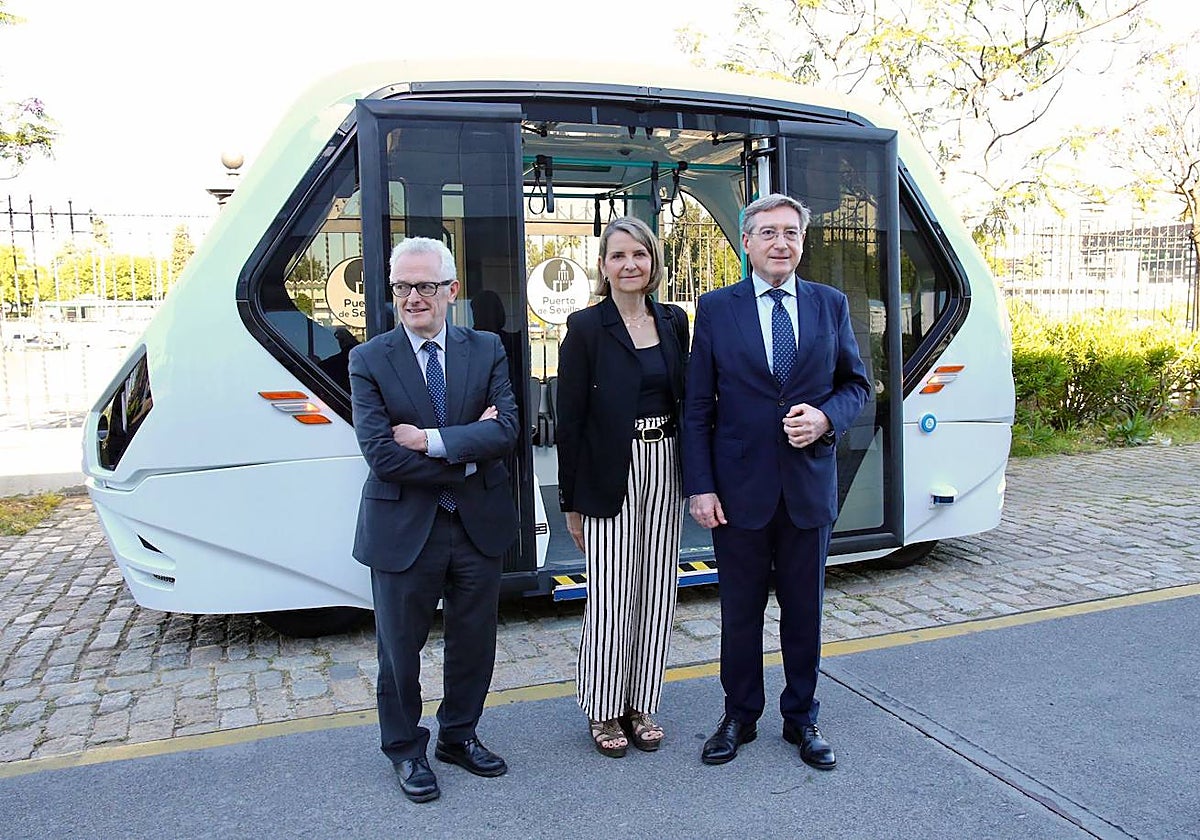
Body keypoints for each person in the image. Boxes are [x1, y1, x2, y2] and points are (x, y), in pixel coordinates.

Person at [681, 194, 870, 770]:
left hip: (808, 487)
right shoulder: (716, 309)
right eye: (767, 233)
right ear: (747, 242)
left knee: (804, 609)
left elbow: (856, 386)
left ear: (802, 242)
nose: (779, 242)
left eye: (790, 232)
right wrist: (701, 486)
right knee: (740, 611)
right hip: (738, 492)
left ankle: (801, 717)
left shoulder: (829, 305)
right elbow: (697, 408)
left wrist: (825, 418)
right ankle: (739, 714)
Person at [348, 236, 520, 803]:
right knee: (399, 651)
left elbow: (509, 432)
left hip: (477, 528)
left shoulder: (487, 348)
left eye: (424, 286)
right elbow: (381, 456)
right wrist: (468, 457)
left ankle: (458, 736)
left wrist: (430, 441)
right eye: (402, 287)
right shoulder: (369, 359)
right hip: (404, 531)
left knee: (475, 642)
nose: (413, 298)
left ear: (452, 289)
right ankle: (404, 750)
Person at [556, 216, 689, 758]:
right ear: (604, 265)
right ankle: (604, 709)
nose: (629, 264)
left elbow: (690, 400)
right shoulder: (586, 327)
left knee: (658, 591)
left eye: (639, 254)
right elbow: (570, 419)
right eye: (618, 256)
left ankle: (641, 703)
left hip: (668, 465)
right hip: (611, 470)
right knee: (612, 596)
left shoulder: (675, 320)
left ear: (653, 261)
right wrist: (571, 502)